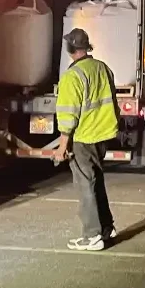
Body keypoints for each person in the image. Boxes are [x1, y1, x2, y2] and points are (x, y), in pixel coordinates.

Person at [52, 28, 119, 251]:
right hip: (103, 135)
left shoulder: (73, 76)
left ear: (70, 49)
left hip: (83, 138)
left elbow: (68, 116)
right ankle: (107, 227)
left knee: (85, 186)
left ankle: (92, 235)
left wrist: (62, 146)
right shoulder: (103, 68)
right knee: (96, 181)